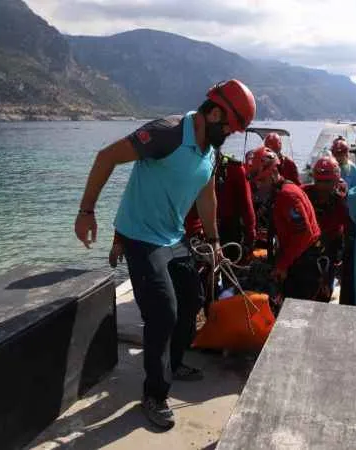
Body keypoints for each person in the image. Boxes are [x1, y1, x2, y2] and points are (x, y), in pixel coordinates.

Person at [75, 79, 256, 429]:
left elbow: (206, 195)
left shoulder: (210, 150)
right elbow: (107, 157)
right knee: (162, 312)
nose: (230, 134)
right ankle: (155, 394)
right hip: (141, 237)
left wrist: (216, 241)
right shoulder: (167, 133)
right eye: (230, 127)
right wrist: (87, 212)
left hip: (174, 235)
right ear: (215, 111)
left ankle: (172, 364)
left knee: (192, 299)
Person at [246, 146, 324, 306]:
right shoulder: (281, 193)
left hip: (304, 266)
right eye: (257, 182)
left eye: (262, 181)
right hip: (297, 260)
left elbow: (304, 234)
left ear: (273, 173)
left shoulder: (287, 196)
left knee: (297, 312)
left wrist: (282, 265)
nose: (259, 186)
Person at [184, 150, 257, 262]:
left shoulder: (234, 169)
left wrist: (250, 237)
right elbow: (247, 207)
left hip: (221, 231)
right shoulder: (234, 169)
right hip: (209, 231)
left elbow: (247, 207)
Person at [302, 157, 349, 301]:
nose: (322, 186)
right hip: (307, 247)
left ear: (335, 182)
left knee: (324, 291)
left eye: (326, 182)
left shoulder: (341, 202)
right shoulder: (304, 194)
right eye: (319, 182)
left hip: (330, 248)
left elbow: (348, 229)